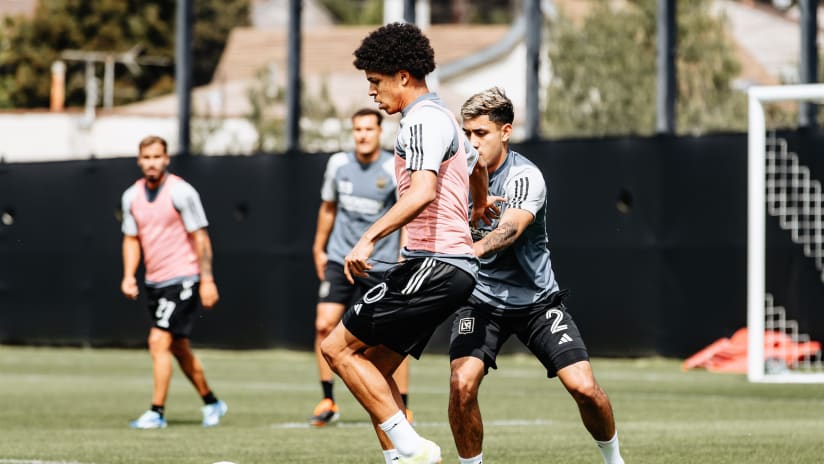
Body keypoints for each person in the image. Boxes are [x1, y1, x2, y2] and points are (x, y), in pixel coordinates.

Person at [319, 22, 496, 464]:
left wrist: (367, 238)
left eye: (375, 83)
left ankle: (413, 449)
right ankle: (401, 458)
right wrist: (477, 206)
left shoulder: (419, 123)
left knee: (335, 348)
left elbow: (422, 193)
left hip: (433, 263)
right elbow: (476, 168)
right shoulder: (447, 120)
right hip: (453, 269)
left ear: (402, 76)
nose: (372, 93)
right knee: (374, 369)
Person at [447, 87, 625, 464]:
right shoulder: (456, 176)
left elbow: (509, 230)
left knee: (584, 388)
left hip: (536, 303)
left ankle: (614, 460)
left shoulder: (525, 177)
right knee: (462, 385)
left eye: (481, 134)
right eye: (467, 134)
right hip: (480, 302)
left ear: (505, 131)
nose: (472, 143)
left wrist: (471, 249)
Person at [310, 107, 414, 427]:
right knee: (323, 324)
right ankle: (328, 399)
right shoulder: (338, 165)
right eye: (358, 129)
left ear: (379, 131)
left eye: (369, 129)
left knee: (391, 336)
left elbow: (407, 212)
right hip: (341, 258)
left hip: (379, 264)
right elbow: (328, 208)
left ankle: (403, 405)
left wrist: (404, 255)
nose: (363, 135)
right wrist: (319, 246)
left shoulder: (392, 167)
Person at [120, 135, 228, 429]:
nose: (152, 163)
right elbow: (131, 239)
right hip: (155, 282)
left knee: (158, 340)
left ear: (166, 159)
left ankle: (157, 411)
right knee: (178, 347)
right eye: (147, 158)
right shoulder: (131, 197)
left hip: (184, 277)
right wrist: (129, 276)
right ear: (139, 160)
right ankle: (212, 402)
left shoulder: (181, 192)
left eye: (158, 157)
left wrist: (207, 280)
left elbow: (201, 238)